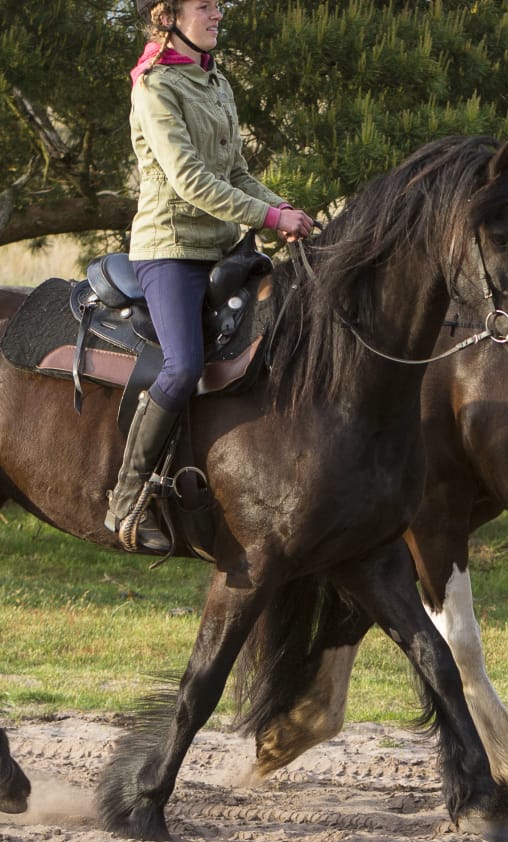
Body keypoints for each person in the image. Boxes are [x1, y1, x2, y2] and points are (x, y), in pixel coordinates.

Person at [109, 0, 315, 553]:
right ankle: (126, 499)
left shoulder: (215, 81)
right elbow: (189, 181)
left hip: (226, 248)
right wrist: (271, 218)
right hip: (170, 250)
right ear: (169, 15)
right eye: (206, 5)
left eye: (220, 5)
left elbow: (238, 174)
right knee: (184, 366)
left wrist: (287, 209)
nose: (218, 13)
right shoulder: (155, 88)